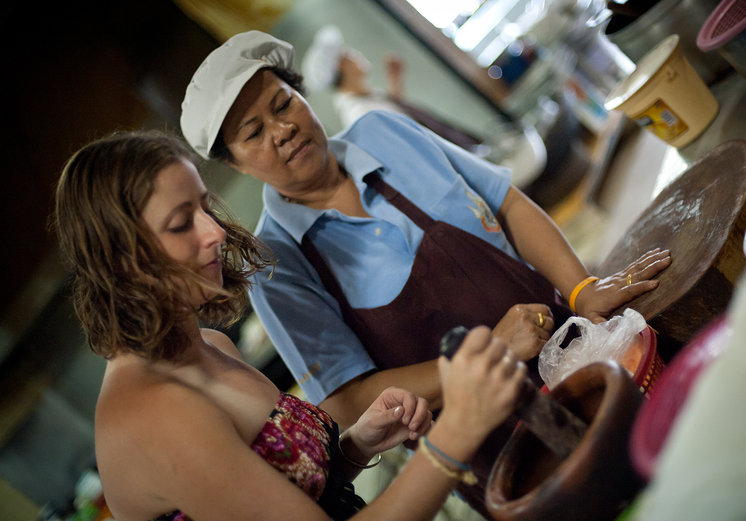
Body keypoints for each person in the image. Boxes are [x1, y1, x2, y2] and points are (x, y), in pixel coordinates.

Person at [179, 30, 671, 516]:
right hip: (500, 446)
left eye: (282, 104)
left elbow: (508, 204)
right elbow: (348, 402)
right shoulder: (278, 265)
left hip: (581, 356)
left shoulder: (383, 133)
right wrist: (491, 354)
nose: (281, 129)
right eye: (253, 133)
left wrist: (582, 288)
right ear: (237, 163)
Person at [53, 129, 527, 521]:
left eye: (204, 206)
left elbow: (292, 494)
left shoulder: (212, 344)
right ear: (121, 261)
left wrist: (356, 446)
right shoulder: (150, 415)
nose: (214, 231)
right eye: (181, 223)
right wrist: (458, 430)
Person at [301, 25, 483, 150]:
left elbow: (399, 117)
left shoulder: (367, 98)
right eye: (347, 53)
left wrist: (395, 81)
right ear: (341, 66)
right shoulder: (360, 115)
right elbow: (406, 142)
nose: (355, 54)